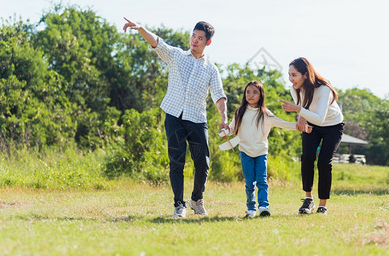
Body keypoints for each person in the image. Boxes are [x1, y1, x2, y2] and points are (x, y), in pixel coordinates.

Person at [123, 18, 228, 218]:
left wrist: (224, 117)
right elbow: (157, 42)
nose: (195, 41)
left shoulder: (211, 69)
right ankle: (179, 204)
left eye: (200, 38)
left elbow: (219, 95)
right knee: (176, 162)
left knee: (203, 163)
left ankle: (197, 200)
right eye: (193, 36)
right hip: (174, 115)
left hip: (197, 118)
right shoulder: (177, 56)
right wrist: (141, 29)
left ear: (208, 42)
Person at [221, 81, 298, 218]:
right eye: (248, 92)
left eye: (254, 92)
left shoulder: (266, 114)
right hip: (245, 152)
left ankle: (264, 207)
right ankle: (251, 209)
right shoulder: (239, 112)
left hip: (261, 152)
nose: (250, 95)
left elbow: (283, 123)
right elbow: (232, 130)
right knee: (249, 182)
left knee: (262, 181)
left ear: (261, 95)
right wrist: (224, 132)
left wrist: (300, 126)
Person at [280, 57, 344, 215]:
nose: (290, 79)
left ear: (305, 75)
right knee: (307, 157)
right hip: (312, 125)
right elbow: (303, 110)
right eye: (289, 74)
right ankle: (308, 200)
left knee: (324, 162)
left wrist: (298, 110)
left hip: (332, 126)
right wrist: (300, 119)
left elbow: (319, 118)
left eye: (294, 75)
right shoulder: (294, 89)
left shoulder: (323, 89)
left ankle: (323, 205)